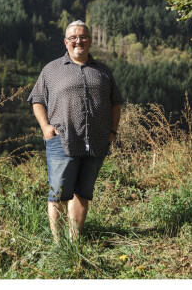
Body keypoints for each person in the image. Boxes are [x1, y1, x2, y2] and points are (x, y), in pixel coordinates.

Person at [27, 20, 123, 243]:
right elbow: (37, 100)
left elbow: (116, 103)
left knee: (83, 192)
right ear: (66, 42)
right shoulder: (51, 70)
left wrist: (112, 132)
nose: (78, 41)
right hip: (62, 140)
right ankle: (59, 245)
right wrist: (45, 127)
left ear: (89, 40)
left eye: (83, 37)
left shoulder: (103, 70)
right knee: (58, 194)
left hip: (97, 141)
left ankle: (75, 243)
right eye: (73, 38)